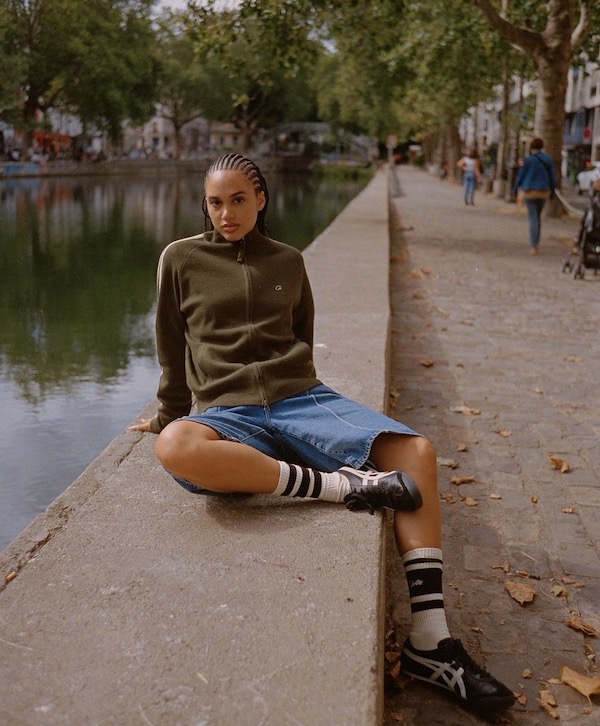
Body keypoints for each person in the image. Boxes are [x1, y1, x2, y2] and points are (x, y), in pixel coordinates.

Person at [129, 153, 515, 712]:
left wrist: (313, 411)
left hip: (301, 400)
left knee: (416, 451)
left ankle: (431, 642)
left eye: (238, 200)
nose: (226, 213)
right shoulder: (180, 258)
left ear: (261, 199)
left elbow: (302, 340)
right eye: (215, 202)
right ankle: (344, 487)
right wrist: (168, 413)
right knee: (175, 446)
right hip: (226, 412)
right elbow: (170, 344)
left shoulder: (289, 260)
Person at [513, 137, 557, 255]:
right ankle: (536, 242)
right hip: (543, 192)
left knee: (533, 218)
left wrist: (515, 190)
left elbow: (520, 176)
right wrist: (552, 192)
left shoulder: (528, 160)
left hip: (530, 191)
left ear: (531, 147)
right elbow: (553, 177)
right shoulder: (548, 159)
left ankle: (534, 245)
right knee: (538, 216)